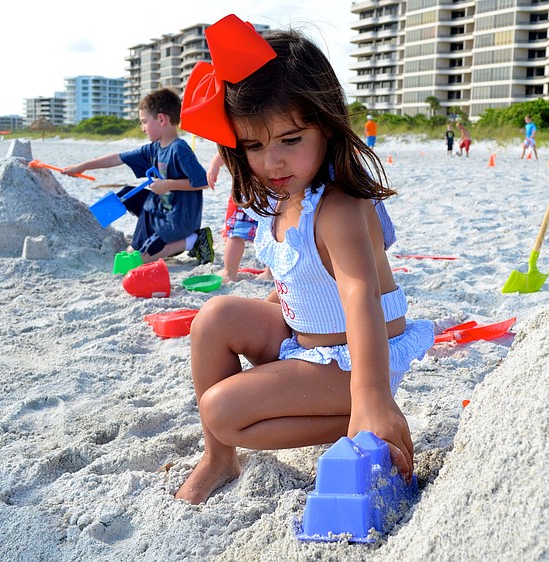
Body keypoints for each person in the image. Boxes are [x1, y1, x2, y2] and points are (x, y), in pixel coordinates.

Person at [174, 14, 435, 504]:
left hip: (358, 359)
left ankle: (372, 413)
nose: (272, 162)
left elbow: (359, 294)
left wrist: (370, 393)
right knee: (215, 316)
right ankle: (218, 458)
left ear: (326, 127)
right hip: (308, 341)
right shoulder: (279, 198)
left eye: (290, 141)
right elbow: (299, 278)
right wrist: (272, 315)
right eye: (253, 145)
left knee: (222, 410)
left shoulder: (336, 206)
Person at [62, 88, 214, 264]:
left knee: (139, 259)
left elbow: (203, 182)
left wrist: (167, 185)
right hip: (162, 209)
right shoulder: (154, 148)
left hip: (180, 219)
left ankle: (194, 240)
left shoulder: (179, 149)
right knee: (127, 194)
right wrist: (81, 167)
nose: (142, 128)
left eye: (144, 122)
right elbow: (117, 158)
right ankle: (148, 239)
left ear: (161, 119)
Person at [206, 152, 272, 282]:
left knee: (236, 233)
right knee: (272, 231)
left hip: (249, 188)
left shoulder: (242, 133)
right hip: (273, 187)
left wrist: (215, 164)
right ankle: (270, 273)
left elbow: (226, 148)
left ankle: (229, 272)